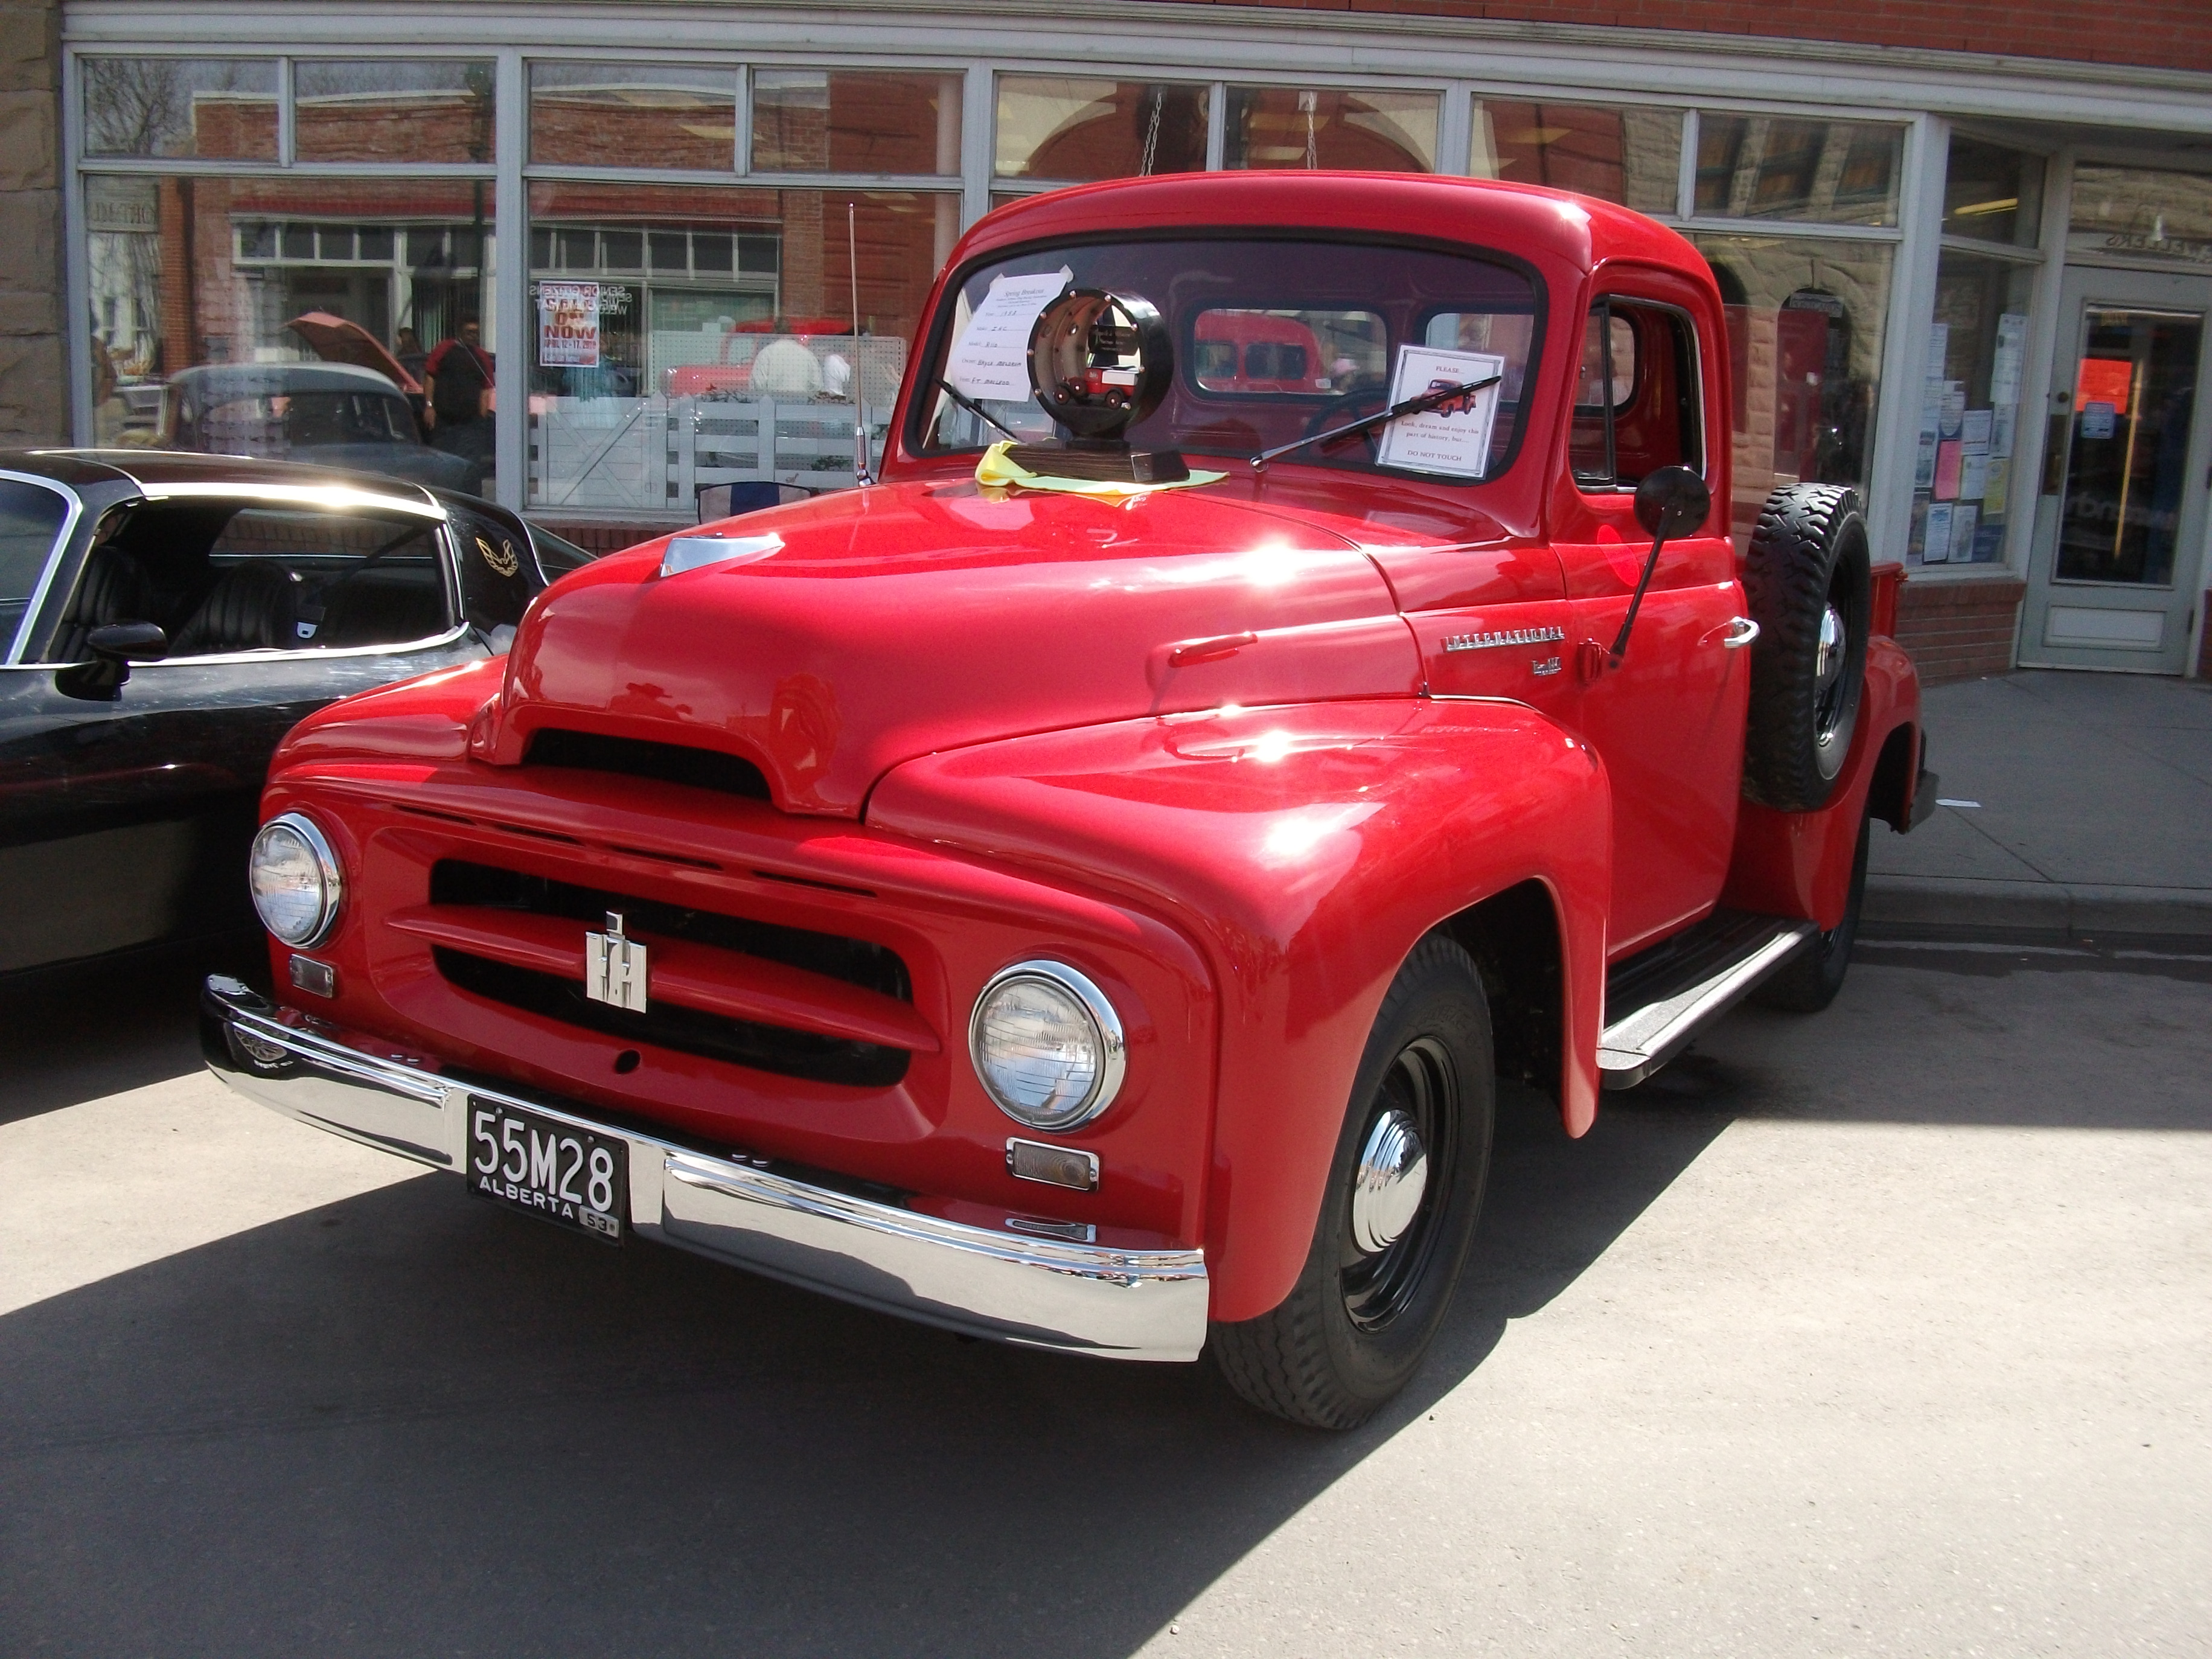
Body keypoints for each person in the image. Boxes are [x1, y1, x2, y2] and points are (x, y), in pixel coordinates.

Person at [423, 321, 494, 492]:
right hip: (444, 421)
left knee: (470, 469)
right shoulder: (444, 349)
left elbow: (487, 386)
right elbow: (430, 376)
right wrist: (429, 406)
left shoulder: (481, 356)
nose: (473, 335)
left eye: (476, 332)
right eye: (469, 331)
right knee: (442, 465)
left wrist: (481, 416)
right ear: (460, 332)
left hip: (470, 423)